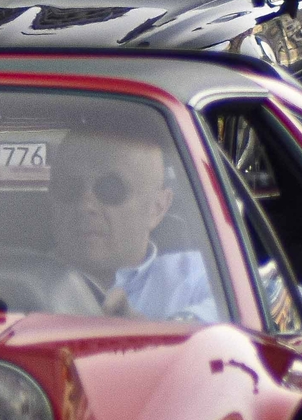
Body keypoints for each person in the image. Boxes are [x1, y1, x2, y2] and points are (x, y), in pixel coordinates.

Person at [47, 138, 221, 322]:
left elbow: (230, 325)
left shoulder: (203, 276)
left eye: (110, 190)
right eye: (70, 188)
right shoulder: (18, 283)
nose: (85, 205)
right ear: (51, 199)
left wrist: (149, 334)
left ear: (158, 207)